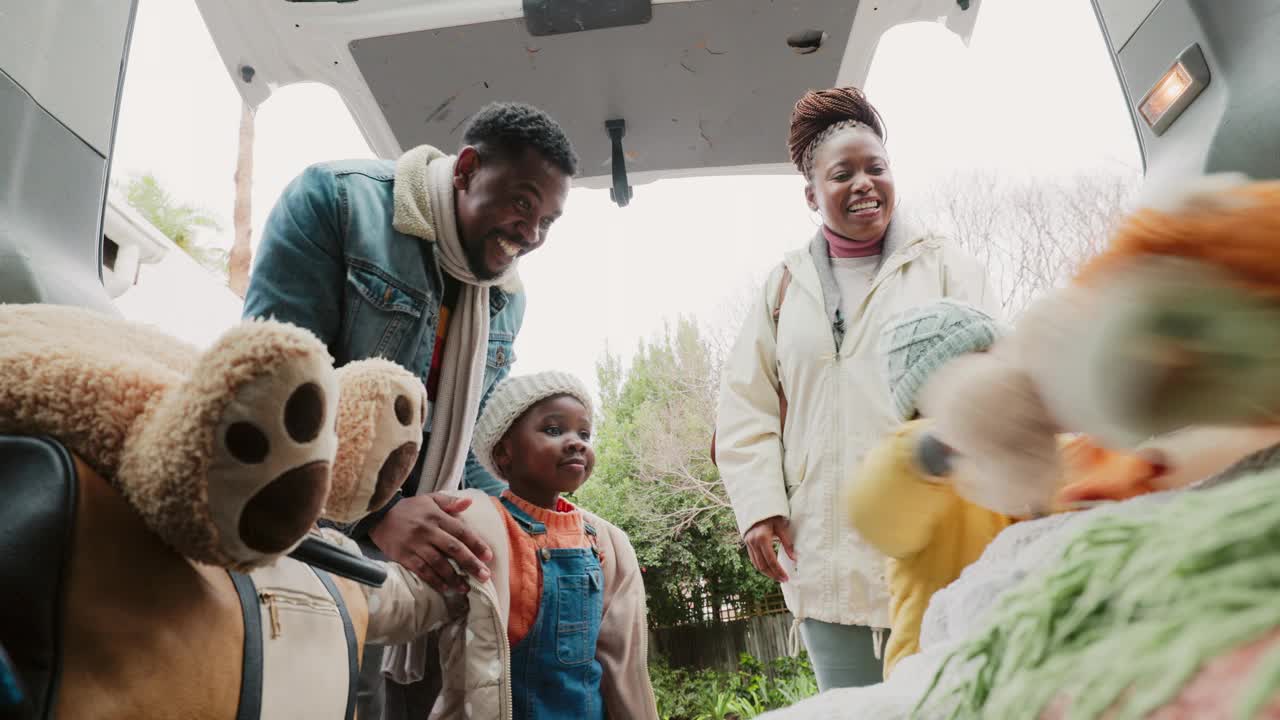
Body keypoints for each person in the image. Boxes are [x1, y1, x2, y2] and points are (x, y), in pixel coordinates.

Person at [241, 101, 576, 717]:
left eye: (549, 220)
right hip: (307, 538)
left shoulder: (505, 299)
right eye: (522, 203)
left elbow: (475, 439)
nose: (531, 234)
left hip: (422, 547)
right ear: (468, 169)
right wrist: (382, 515)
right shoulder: (337, 203)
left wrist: (520, 524)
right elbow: (273, 393)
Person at [714, 86, 999, 692]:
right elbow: (746, 406)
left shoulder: (945, 265)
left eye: (877, 167)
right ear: (812, 194)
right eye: (842, 174)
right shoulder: (783, 287)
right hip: (824, 561)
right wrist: (761, 510)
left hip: (935, 549)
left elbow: (996, 381)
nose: (864, 183)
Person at [345, 371, 659, 719]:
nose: (576, 442)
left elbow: (624, 663)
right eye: (554, 430)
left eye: (584, 433)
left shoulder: (608, 544)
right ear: (504, 452)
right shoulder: (475, 523)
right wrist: (339, 582)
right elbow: (408, 599)